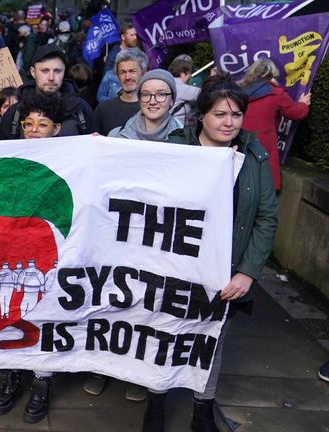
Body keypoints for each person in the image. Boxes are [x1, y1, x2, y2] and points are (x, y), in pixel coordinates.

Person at [142, 74, 278, 432]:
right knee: (163, 336)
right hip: (173, 267)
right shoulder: (175, 147)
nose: (229, 122)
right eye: (220, 114)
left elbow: (266, 217)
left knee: (211, 342)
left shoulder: (253, 154)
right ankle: (155, 404)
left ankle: (202, 410)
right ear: (201, 116)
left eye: (236, 114)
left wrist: (247, 272)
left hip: (225, 272)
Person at [0, 91, 65, 424]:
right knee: (11, 310)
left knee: (47, 313)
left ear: (57, 129)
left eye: (43, 124)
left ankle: (41, 381)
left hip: (50, 254)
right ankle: (11, 375)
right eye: (28, 124)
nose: (34, 130)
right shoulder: (8, 159)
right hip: (13, 252)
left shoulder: (71, 161)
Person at [239, 57, 311, 190]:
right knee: (262, 184)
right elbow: (295, 113)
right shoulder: (275, 93)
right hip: (263, 142)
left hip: (239, 138)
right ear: (271, 74)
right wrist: (303, 104)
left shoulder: (240, 90)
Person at [0, 44, 93, 140]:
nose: (51, 78)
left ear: (64, 72)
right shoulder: (15, 112)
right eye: (45, 71)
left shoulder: (81, 110)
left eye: (57, 71)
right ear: (33, 72)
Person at [108, 69, 183, 141]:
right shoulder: (115, 136)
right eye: (146, 94)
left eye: (161, 94)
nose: (152, 102)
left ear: (172, 100)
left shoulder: (186, 141)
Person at [91, 48, 148, 135]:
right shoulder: (104, 108)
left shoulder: (152, 108)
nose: (127, 77)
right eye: (122, 72)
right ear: (117, 76)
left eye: (132, 71)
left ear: (143, 73)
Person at [168, 58, 201, 126]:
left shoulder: (169, 84)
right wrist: (213, 77)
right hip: (176, 130)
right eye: (190, 74)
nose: (191, 77)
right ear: (183, 74)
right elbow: (208, 93)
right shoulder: (181, 87)